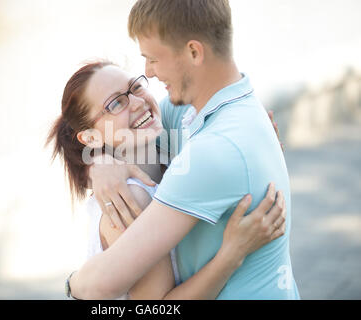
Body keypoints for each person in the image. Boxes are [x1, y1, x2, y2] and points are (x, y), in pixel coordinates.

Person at [69, 0, 301, 300]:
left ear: (194, 52)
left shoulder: (212, 152)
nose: (148, 72)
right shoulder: (209, 111)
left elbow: (107, 287)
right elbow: (128, 129)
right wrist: (99, 161)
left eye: (153, 58)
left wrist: (70, 285)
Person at [47, 61, 287, 299]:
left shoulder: (170, 156)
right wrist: (232, 254)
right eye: (116, 103)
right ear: (90, 137)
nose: (138, 103)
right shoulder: (129, 199)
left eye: (136, 87)